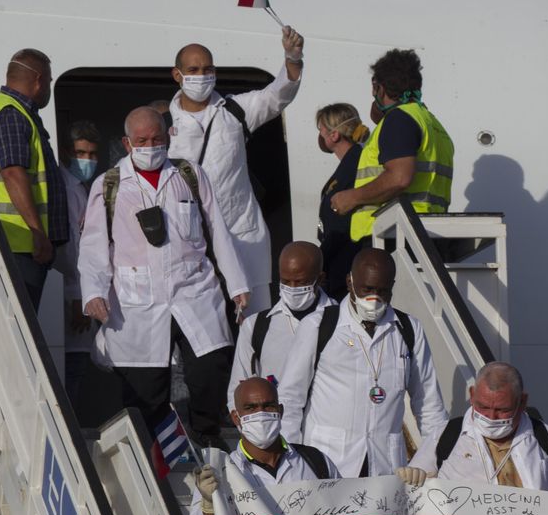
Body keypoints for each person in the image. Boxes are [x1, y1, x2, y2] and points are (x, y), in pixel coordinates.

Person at [78, 106, 250, 449]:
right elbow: (94, 245)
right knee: (145, 387)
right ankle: (149, 452)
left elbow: (218, 231)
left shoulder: (189, 175)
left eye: (156, 139)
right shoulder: (110, 184)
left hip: (194, 291)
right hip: (137, 300)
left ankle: (207, 439)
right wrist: (93, 292)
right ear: (127, 143)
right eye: (141, 140)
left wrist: (237, 285)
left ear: (168, 136)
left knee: (211, 367)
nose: (150, 146)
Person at [166, 26, 305, 316]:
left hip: (242, 234)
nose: (201, 75)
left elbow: (277, 96)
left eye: (207, 69)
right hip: (191, 241)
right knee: (201, 324)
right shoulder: (163, 124)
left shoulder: (234, 111)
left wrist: (292, 59)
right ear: (177, 75)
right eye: (193, 70)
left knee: (254, 323)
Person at [278, 247, 448, 477]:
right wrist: (292, 462)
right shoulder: (319, 325)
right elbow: (290, 398)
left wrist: (433, 462)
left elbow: (429, 404)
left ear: (392, 287)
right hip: (328, 463)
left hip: (386, 465)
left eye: (382, 291)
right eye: (367, 289)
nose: (374, 298)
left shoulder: (409, 329)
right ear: (350, 282)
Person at [183, 377, 339, 515]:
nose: (261, 414)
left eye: (268, 406)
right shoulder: (219, 475)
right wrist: (209, 507)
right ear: (236, 417)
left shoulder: (316, 462)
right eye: (250, 408)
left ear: (280, 411)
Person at [0, 48, 68, 309]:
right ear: (38, 80)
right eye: (49, 81)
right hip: (16, 244)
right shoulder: (11, 114)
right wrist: (37, 232)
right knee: (17, 320)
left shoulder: (16, 112)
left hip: (16, 243)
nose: (48, 88)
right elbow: (13, 173)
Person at [328, 49, 454, 243]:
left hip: (392, 234)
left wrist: (351, 197)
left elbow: (399, 178)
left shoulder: (399, 119)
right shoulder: (434, 125)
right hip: (424, 232)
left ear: (379, 88)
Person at [396, 362, 548, 493]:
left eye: (502, 410)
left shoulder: (543, 435)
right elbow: (414, 482)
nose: (491, 417)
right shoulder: (447, 434)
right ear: (472, 394)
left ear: (522, 402)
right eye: (482, 407)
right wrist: (412, 478)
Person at [226, 241, 335, 410]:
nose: (292, 288)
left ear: (320, 279)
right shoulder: (255, 327)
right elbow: (238, 391)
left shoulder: (341, 321)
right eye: (285, 281)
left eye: (300, 282)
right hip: (276, 423)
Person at [55, 120, 104, 419]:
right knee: (72, 365)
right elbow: (72, 246)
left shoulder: (80, 188)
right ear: (65, 152)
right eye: (80, 153)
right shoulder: (68, 189)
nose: (87, 160)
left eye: (92, 154)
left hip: (76, 289)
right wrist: (78, 295)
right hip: (71, 291)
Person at [315, 103, 370, 300]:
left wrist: (321, 260)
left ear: (334, 135)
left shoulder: (354, 164)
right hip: (341, 257)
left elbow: (340, 223)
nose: (320, 136)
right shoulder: (352, 161)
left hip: (345, 260)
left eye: (321, 129)